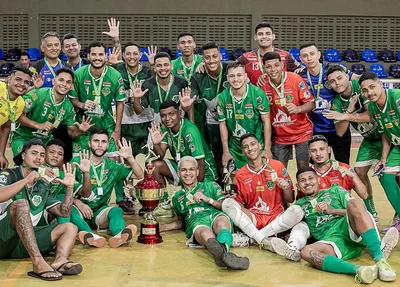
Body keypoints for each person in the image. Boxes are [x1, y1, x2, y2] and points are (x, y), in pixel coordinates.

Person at [273, 167, 397, 284]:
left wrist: (332, 210)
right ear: (298, 186)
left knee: (354, 203)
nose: (307, 182)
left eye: (311, 178)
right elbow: (289, 222)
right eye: (302, 180)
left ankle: (380, 260)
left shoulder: (335, 190)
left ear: (318, 180)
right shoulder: (299, 205)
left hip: (349, 228)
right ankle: (360, 270)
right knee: (305, 252)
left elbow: (359, 210)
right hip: (330, 241)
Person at [0, 139, 82, 281]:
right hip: (3, 238)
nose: (38, 158)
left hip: (25, 243)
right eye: (34, 153)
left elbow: (64, 212)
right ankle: (38, 262)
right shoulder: (9, 174)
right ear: (23, 155)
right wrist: (26, 180)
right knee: (21, 204)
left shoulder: (43, 184)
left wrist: (69, 188)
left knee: (70, 227)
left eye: (42, 155)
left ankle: (60, 261)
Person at [160, 156, 250, 270]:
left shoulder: (210, 185)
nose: (188, 173)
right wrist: (164, 227)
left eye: (191, 169)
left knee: (221, 221)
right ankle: (226, 255)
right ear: (178, 173)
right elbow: (182, 222)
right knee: (204, 233)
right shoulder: (177, 198)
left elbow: (225, 205)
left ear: (197, 172)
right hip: (196, 222)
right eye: (184, 170)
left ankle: (221, 253)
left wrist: (208, 199)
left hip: (215, 215)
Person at [222, 134, 304, 250]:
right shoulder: (240, 175)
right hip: (254, 218)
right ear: (243, 151)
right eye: (246, 147)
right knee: (227, 204)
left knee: (298, 210)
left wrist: (285, 188)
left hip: (276, 218)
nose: (250, 148)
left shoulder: (277, 166)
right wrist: (232, 199)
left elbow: (291, 199)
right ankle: (263, 239)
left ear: (259, 145)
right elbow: (240, 204)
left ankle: (253, 238)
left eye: (253, 144)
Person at [323, 65, 380, 219]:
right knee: (359, 172)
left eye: (339, 78)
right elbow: (340, 132)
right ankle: (372, 212)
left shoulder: (360, 87)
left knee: (392, 176)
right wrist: (348, 111)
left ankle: (398, 213)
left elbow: (371, 116)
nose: (337, 83)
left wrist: (345, 116)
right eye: (332, 82)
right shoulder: (336, 102)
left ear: (347, 76)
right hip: (369, 139)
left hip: (384, 135)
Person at [71, 127, 143, 248]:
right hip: (79, 210)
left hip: (99, 212)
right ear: (89, 143)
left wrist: (130, 158)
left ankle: (120, 235)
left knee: (116, 210)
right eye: (96, 141)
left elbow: (139, 175)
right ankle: (90, 236)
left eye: (103, 142)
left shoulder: (112, 166)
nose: (99, 145)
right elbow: (73, 193)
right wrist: (79, 203)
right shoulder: (77, 162)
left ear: (108, 144)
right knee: (70, 211)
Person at [149, 100, 218, 217]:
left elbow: (200, 164)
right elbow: (160, 156)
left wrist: (198, 190)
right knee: (155, 164)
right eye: (163, 116)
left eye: (171, 114)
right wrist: (156, 144)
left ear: (180, 113)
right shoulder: (166, 128)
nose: (167, 118)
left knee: (194, 206)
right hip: (184, 170)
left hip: (204, 174)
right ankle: (165, 203)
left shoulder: (190, 131)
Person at [298, 42, 358, 164]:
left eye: (312, 54)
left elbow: (358, 79)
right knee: (319, 166)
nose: (309, 58)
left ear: (319, 54)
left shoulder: (333, 69)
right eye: (305, 56)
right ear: (300, 59)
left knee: (343, 165)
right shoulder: (299, 76)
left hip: (339, 125)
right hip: (316, 128)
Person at [111, 42, 153, 213]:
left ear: (140, 55)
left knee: (150, 163)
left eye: (135, 53)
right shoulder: (118, 70)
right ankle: (123, 198)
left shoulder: (148, 71)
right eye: (128, 54)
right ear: (123, 55)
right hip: (126, 123)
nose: (131, 57)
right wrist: (114, 45)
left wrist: (153, 64)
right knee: (124, 162)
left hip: (146, 122)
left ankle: (148, 197)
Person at [11, 68, 92, 157]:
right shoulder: (37, 94)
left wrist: (80, 130)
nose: (64, 84)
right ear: (53, 81)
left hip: (44, 142)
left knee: (51, 165)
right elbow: (17, 115)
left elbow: (72, 134)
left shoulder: (68, 107)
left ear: (71, 86)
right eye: (61, 80)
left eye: (68, 82)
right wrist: (38, 125)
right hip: (23, 137)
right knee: (27, 162)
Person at [358, 72, 400, 231]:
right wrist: (383, 158)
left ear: (381, 84)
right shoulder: (374, 107)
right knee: (385, 175)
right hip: (397, 147)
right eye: (365, 90)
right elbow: (385, 133)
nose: (369, 92)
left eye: (372, 87)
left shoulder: (396, 97)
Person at [69, 42, 126, 158]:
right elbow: (73, 99)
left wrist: (117, 129)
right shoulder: (78, 74)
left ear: (105, 56)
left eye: (100, 54)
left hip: (107, 126)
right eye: (94, 54)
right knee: (78, 164)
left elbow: (120, 102)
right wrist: (82, 105)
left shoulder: (115, 76)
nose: (97, 58)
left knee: (113, 160)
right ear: (88, 56)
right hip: (83, 127)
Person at [181, 41, 229, 176]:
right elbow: (191, 102)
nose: (211, 60)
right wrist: (192, 125)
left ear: (220, 56)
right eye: (207, 57)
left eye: (215, 56)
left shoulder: (230, 69)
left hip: (231, 120)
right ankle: (215, 183)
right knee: (215, 155)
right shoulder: (198, 77)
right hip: (210, 122)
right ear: (203, 59)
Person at [260, 52, 314, 169]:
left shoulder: (295, 79)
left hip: (302, 132)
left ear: (282, 65)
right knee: (279, 170)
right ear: (263, 68)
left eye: (276, 65)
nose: (273, 69)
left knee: (303, 168)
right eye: (268, 67)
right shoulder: (262, 84)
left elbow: (311, 103)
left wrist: (298, 109)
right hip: (279, 136)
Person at [217, 61, 271, 169]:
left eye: (239, 75)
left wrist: (267, 149)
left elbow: (266, 122)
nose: (236, 79)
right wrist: (226, 151)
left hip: (256, 146)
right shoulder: (222, 97)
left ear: (245, 77)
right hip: (235, 148)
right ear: (227, 77)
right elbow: (222, 125)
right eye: (232, 76)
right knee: (235, 182)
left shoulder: (257, 94)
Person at [131, 52, 188, 122]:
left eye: (166, 65)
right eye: (159, 65)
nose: (163, 68)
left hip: (177, 125)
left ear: (171, 66)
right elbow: (138, 111)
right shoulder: (147, 85)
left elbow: (188, 107)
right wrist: (136, 99)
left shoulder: (181, 82)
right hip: (156, 126)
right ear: (154, 68)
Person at [0, 66, 32, 169]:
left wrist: (1, 154)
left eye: (26, 82)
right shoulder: (0, 87)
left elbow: (6, 128)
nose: (22, 84)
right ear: (9, 79)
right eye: (18, 79)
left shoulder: (20, 103)